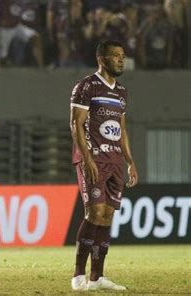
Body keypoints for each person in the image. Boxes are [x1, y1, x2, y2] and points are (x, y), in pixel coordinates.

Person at [69, 40, 138, 291]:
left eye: (122, 56)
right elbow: (76, 124)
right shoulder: (87, 86)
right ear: (102, 59)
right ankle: (78, 275)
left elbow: (121, 129)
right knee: (94, 213)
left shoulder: (121, 91)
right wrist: (86, 159)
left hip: (115, 160)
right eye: (116, 56)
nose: (121, 60)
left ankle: (97, 277)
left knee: (107, 216)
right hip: (94, 159)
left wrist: (130, 162)